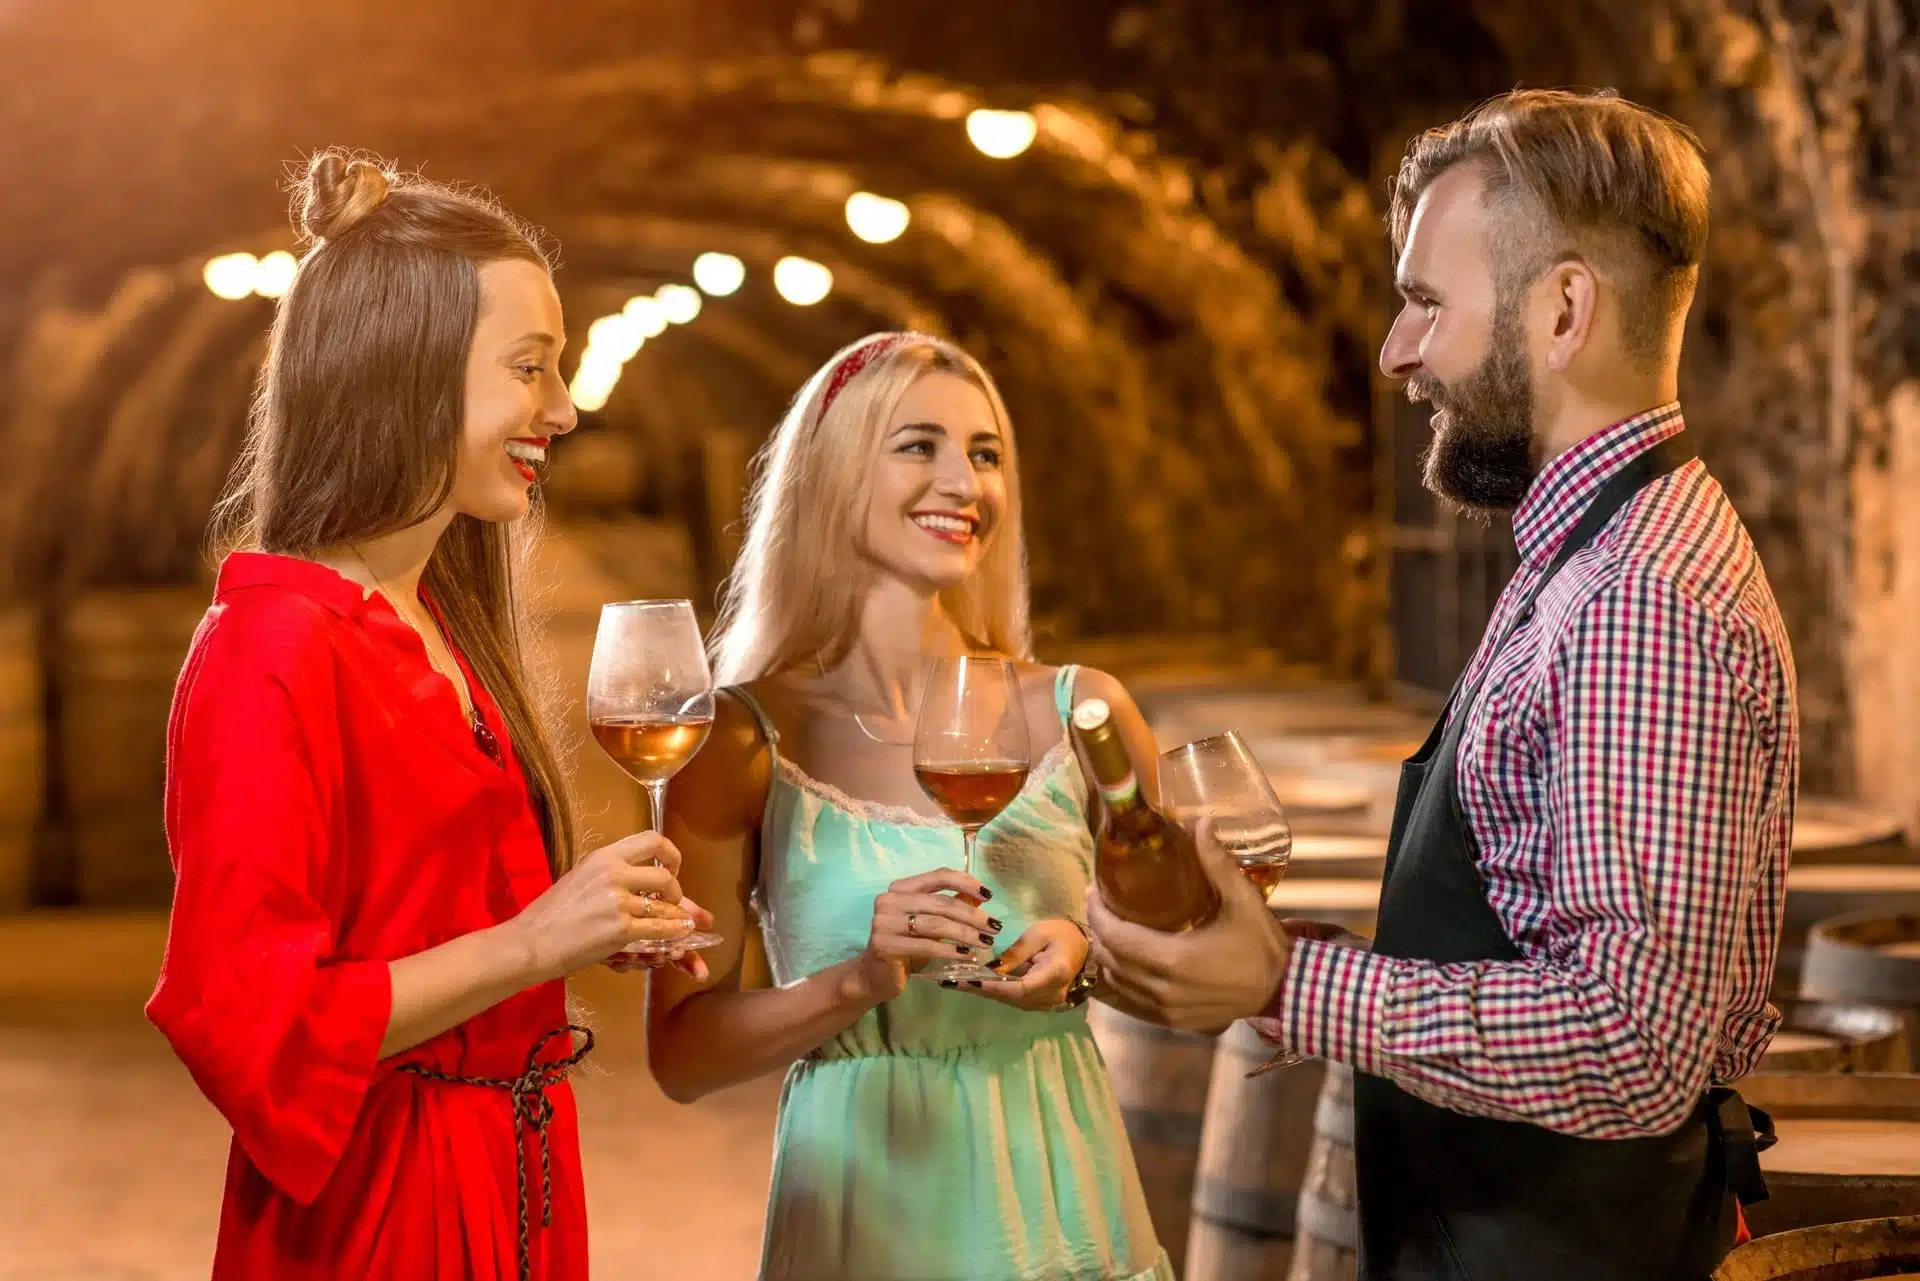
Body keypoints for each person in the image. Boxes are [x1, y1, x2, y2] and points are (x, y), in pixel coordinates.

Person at [1087, 89, 1799, 1281]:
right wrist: (1275, 948)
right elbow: (1533, 936)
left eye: (1426, 302)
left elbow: (1633, 1042)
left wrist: (1288, 979)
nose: (1394, 351)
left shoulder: (1639, 599)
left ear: (1563, 309)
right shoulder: (1587, 557)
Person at [146, 151, 712, 1281]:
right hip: (380, 1215)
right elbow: (247, 1018)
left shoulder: (437, 617)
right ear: (401, 371)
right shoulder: (271, 647)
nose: (564, 406)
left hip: (510, 1170)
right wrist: (540, 937)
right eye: (529, 369)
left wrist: (585, 932)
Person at [642, 332, 1173, 1280]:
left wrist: (1086, 957)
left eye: (985, 453)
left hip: (1057, 1201)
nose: (963, 483)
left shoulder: (1083, 714)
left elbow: (1187, 960)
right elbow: (684, 1055)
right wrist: (855, 982)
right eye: (918, 445)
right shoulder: (738, 741)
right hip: (866, 1213)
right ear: (834, 473)